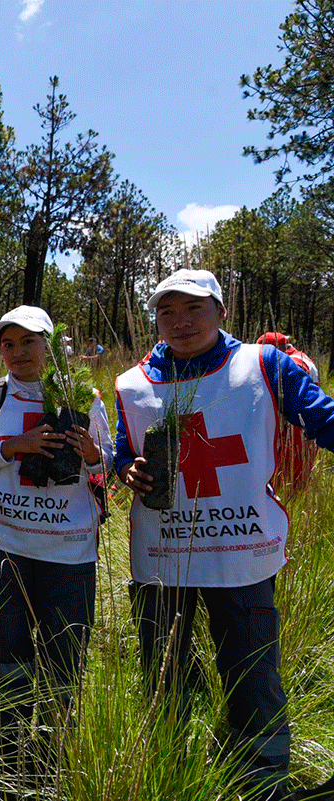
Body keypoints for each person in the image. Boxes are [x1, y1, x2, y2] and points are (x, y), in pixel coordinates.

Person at [117, 269, 334, 801]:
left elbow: (325, 419)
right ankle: (174, 773)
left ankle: (263, 784)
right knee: (164, 676)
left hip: (242, 556)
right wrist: (128, 469)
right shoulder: (132, 382)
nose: (181, 322)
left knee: (252, 673)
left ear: (221, 311)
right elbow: (123, 450)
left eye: (194, 308)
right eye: (168, 311)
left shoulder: (263, 365)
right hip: (162, 556)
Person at [0, 304, 111, 768]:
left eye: (28, 341)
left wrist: (91, 454)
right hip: (1, 542)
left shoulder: (82, 397)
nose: (17, 352)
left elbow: (107, 465)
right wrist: (14, 447)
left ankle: (52, 743)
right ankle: (9, 731)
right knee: (10, 637)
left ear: (50, 344)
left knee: (65, 644)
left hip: (68, 550)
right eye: (7, 343)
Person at [257, 331, 320, 494]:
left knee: (287, 481)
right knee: (298, 480)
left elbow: (288, 400)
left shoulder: (291, 363)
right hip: (307, 427)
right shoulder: (302, 357)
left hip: (294, 430)